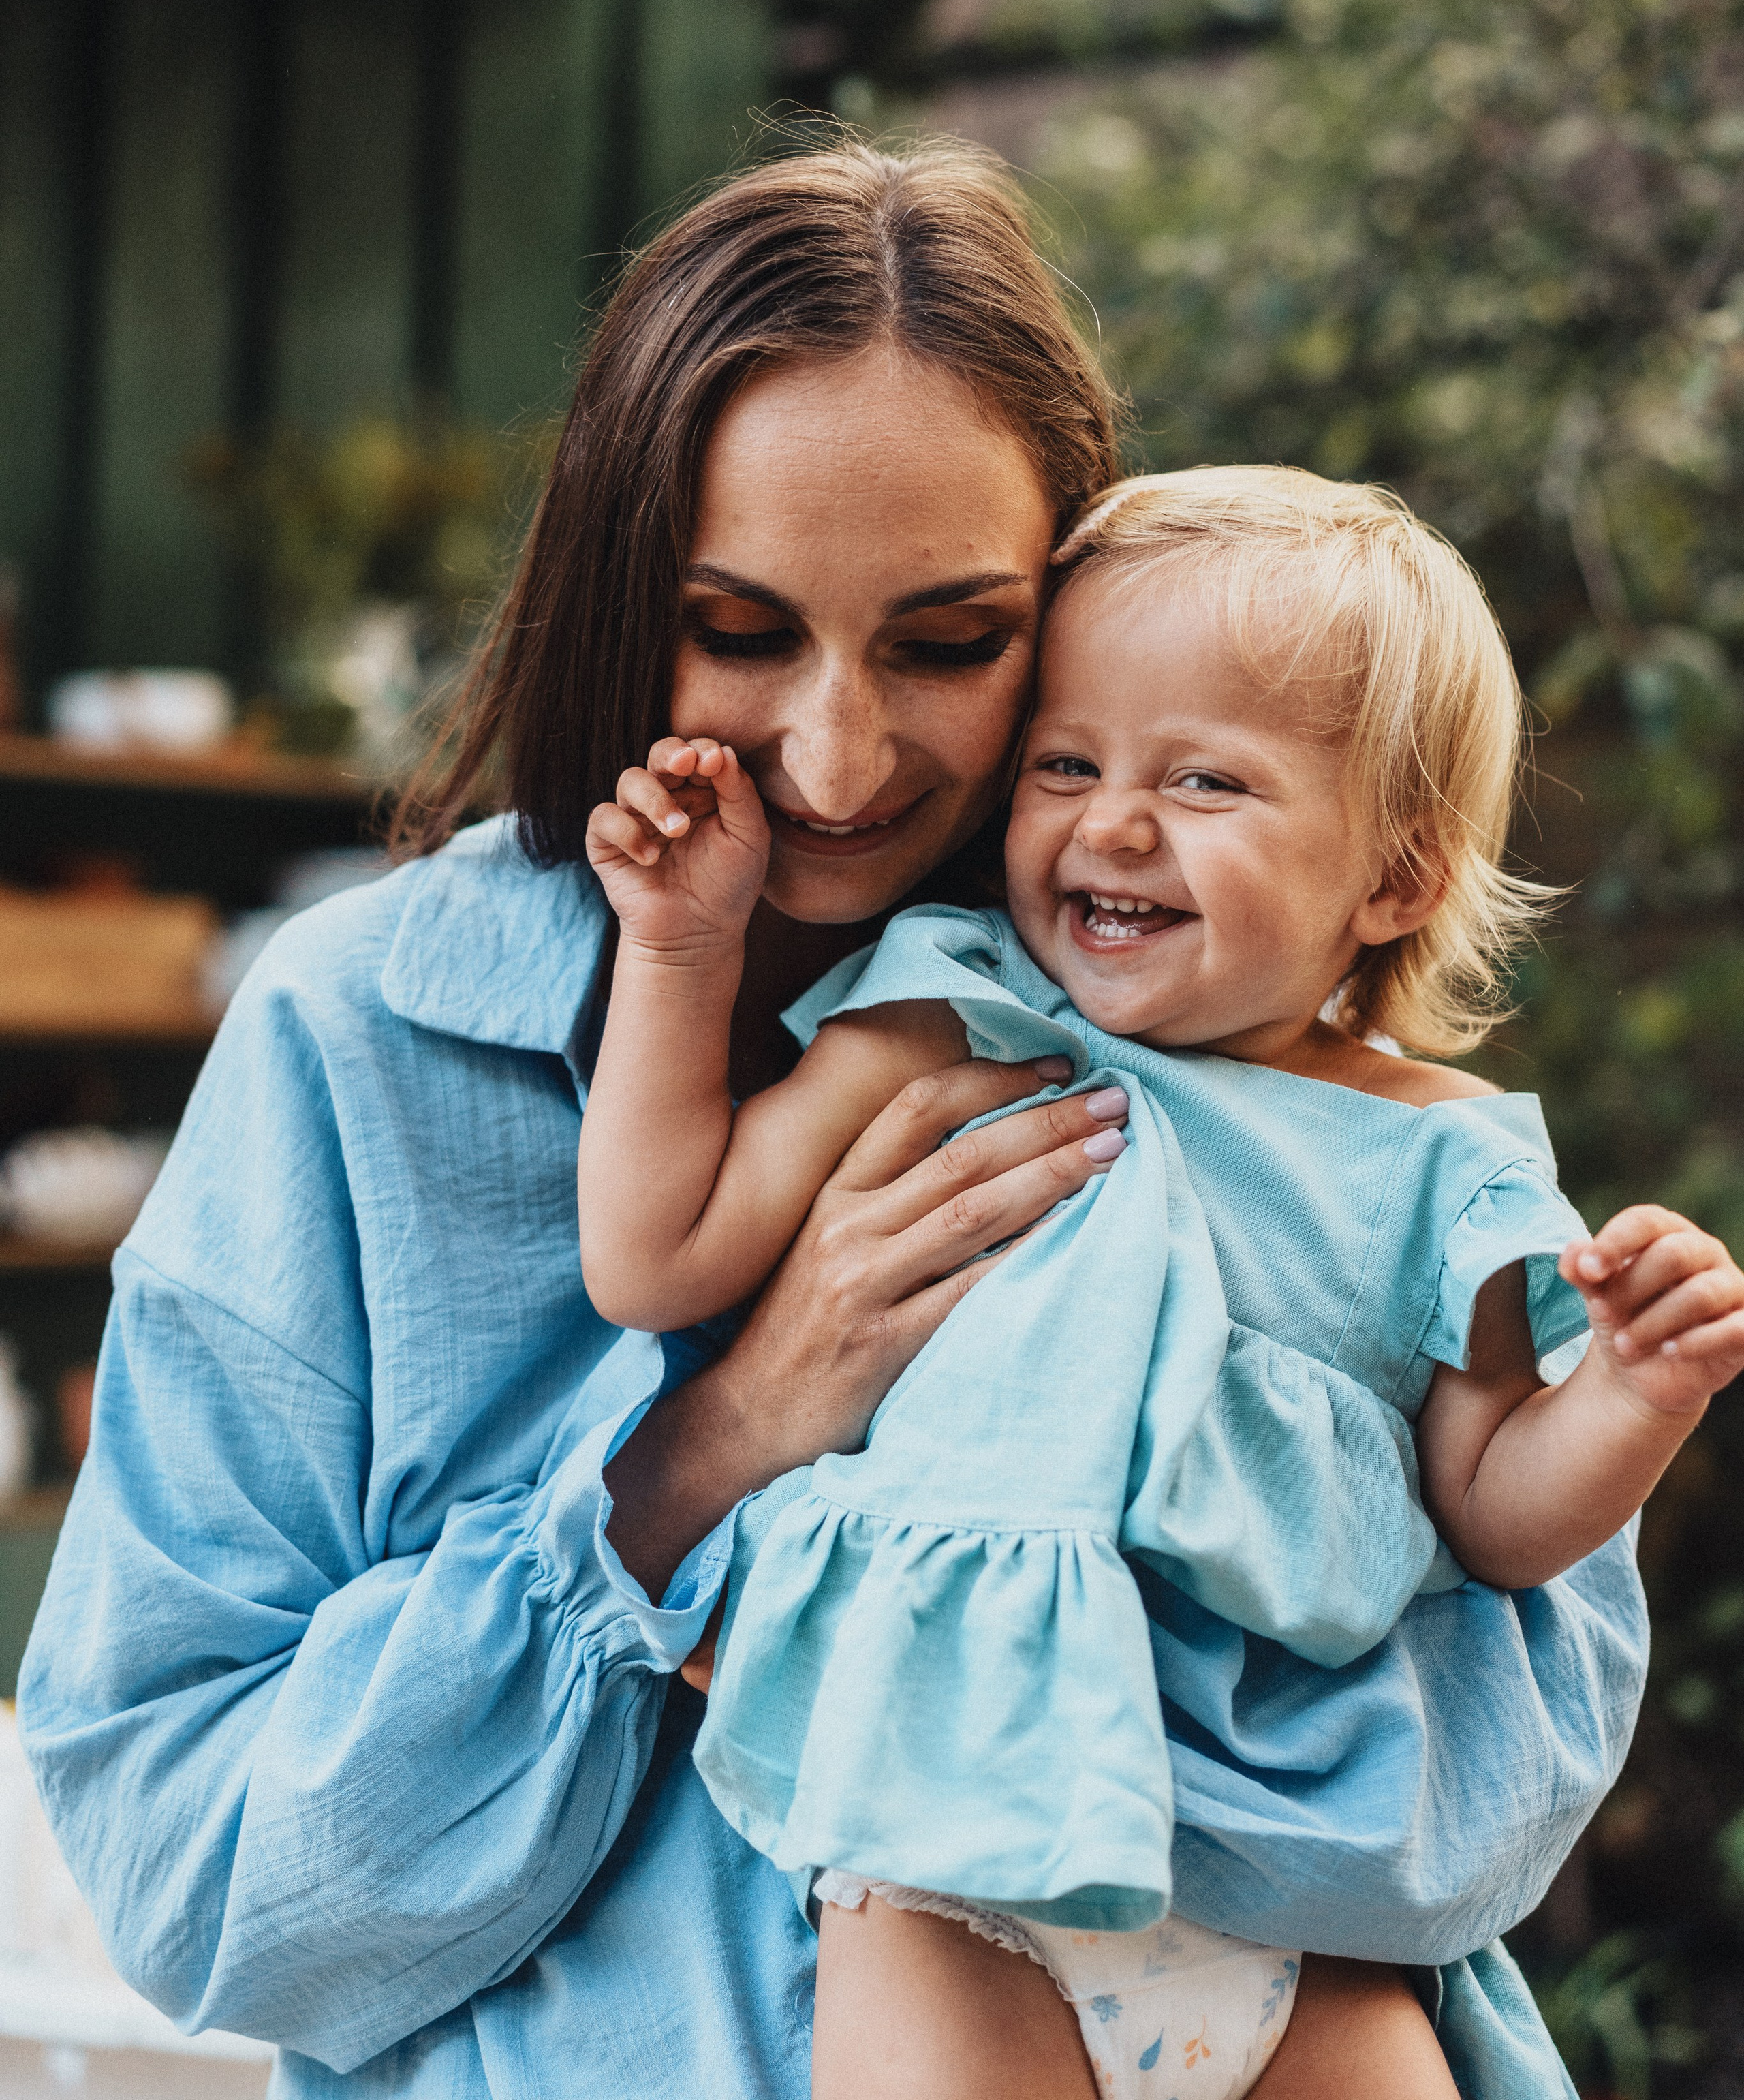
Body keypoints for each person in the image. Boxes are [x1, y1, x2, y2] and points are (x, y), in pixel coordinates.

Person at [19, 143, 1647, 2100]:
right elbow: (209, 1901)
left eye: (954, 641)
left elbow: (1489, 1801)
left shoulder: (1260, 1059)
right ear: (621, 595)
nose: (839, 753)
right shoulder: (364, 1040)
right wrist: (711, 1452)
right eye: (740, 627)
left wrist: (1015, 1717)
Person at [578, 464, 1744, 2100]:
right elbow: (655, 1255)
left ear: (1394, 880)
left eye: (1204, 781)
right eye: (1065, 764)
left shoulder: (1446, 1161)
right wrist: (679, 953)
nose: (1109, 822)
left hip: (1296, 1898)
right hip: (951, 1854)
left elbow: (1491, 1511)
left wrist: (1633, 1393)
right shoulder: (952, 1014)